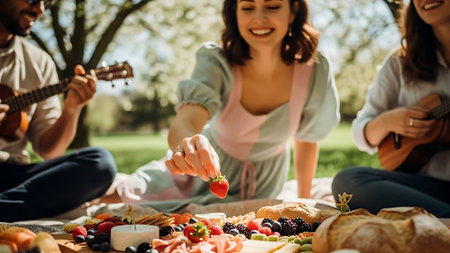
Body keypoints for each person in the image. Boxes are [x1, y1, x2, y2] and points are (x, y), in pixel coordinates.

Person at [98, 0, 339, 211]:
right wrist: (189, 144)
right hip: (201, 170)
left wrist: (304, 200)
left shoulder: (314, 69)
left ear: (294, 10)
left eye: (273, 6)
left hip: (267, 181)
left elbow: (307, 139)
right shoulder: (216, 61)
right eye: (247, 7)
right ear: (234, 12)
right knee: (118, 199)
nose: (259, 18)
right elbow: (187, 120)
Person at [0, 0, 117, 222]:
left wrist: (72, 110)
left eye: (47, 2)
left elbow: (48, 150)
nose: (40, 9)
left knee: (100, 163)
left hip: (11, 174)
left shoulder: (39, 62)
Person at [332, 0, 450, 217]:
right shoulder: (399, 62)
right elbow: (360, 132)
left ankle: (436, 222)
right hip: (425, 188)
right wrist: (388, 121)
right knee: (347, 181)